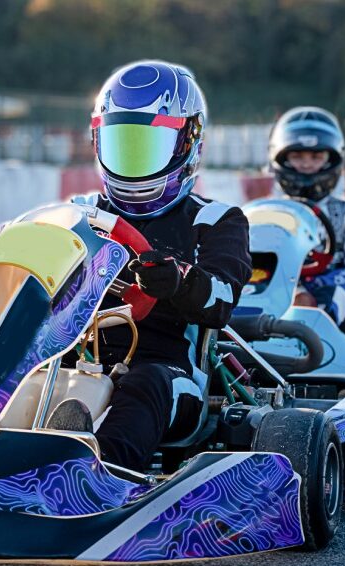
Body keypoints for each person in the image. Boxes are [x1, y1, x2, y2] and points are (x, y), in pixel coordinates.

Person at [51, 60, 251, 471]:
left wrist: (178, 281)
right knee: (26, 374)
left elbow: (222, 298)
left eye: (146, 148)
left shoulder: (216, 220)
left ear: (186, 144)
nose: (131, 162)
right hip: (74, 360)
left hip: (169, 373)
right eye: (122, 146)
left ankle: (96, 476)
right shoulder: (77, 213)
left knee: (144, 383)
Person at [268, 106, 345, 334]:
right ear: (281, 159)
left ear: (332, 160)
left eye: (316, 157)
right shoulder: (269, 210)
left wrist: (313, 286)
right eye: (297, 156)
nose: (307, 164)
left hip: (330, 296)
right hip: (274, 295)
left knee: (315, 301)